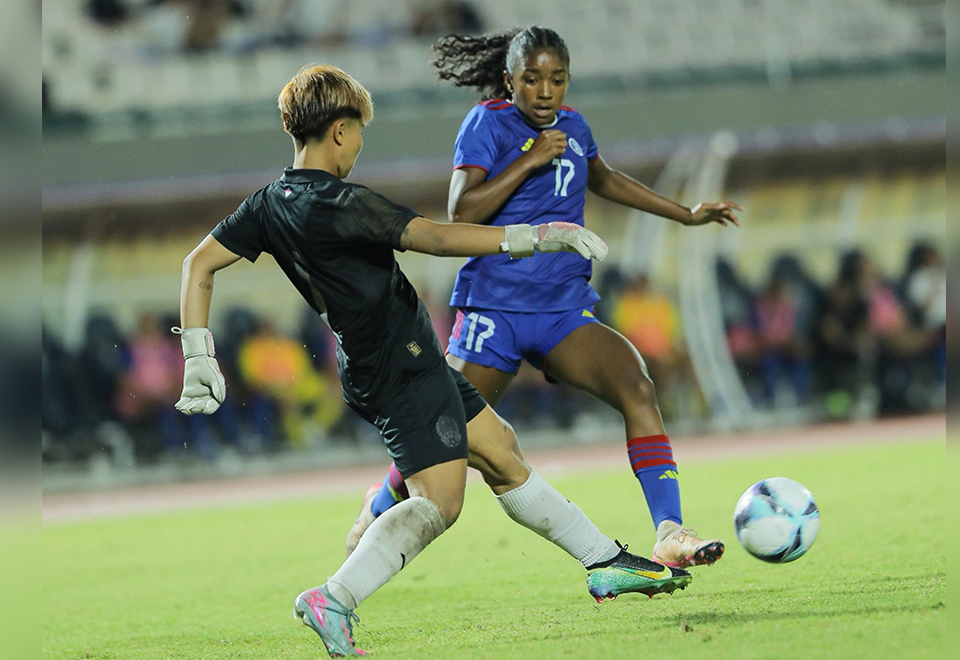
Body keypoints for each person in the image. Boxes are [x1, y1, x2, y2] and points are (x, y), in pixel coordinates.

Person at [174, 64, 691, 657]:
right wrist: (535, 235)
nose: (359, 147)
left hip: (384, 361)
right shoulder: (342, 202)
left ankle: (604, 562)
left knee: (499, 448)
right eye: (359, 133)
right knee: (440, 503)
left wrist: (197, 353)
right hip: (400, 367)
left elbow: (198, 265)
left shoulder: (269, 203)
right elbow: (438, 238)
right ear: (340, 131)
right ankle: (333, 598)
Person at [350, 26, 741, 569]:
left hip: (562, 311)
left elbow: (604, 179)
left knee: (636, 385)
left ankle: (670, 530)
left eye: (556, 79)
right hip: (495, 310)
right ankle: (379, 504)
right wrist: (529, 161)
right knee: (445, 436)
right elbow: (463, 212)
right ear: (510, 80)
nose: (544, 90)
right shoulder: (488, 122)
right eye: (531, 79)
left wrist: (686, 213)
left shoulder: (575, 127)